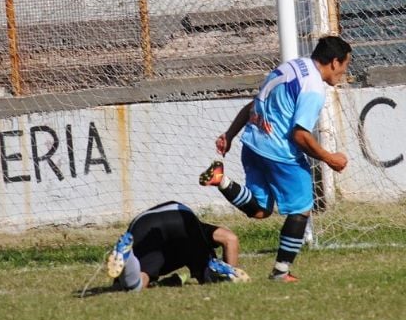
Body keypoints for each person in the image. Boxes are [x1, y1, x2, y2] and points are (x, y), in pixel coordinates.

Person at [199, 36, 352, 283]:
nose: (345, 71)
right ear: (335, 62)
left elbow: (253, 105)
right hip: (280, 154)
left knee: (260, 210)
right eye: (345, 65)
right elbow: (300, 136)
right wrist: (329, 159)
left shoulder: (290, 66)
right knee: (301, 210)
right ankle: (281, 272)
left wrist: (230, 134)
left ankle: (222, 180)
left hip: (252, 144)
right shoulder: (313, 88)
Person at [105, 200, 249, 292]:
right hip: (183, 217)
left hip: (144, 223)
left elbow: (116, 286)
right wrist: (233, 267)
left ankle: (127, 254)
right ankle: (223, 273)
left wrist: (121, 282)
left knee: (137, 282)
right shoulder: (201, 228)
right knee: (206, 275)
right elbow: (231, 239)